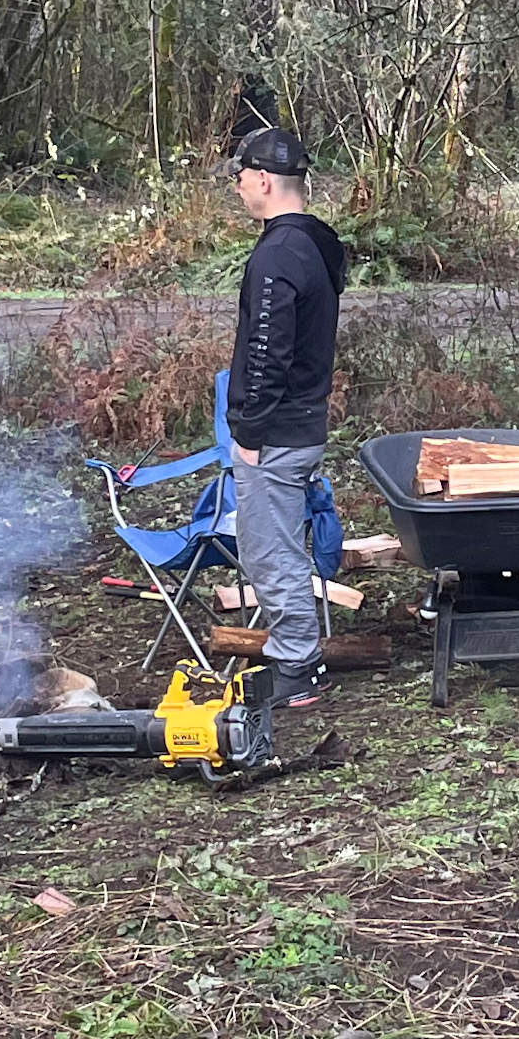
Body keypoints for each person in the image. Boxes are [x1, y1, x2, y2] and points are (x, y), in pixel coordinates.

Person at [224, 125, 348, 710]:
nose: (238, 187)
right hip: (301, 421)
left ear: (265, 180)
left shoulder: (277, 255)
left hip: (278, 431)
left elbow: (266, 351)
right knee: (274, 546)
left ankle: (297, 668)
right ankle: (295, 656)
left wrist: (250, 431)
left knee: (270, 552)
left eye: (242, 177)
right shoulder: (317, 242)